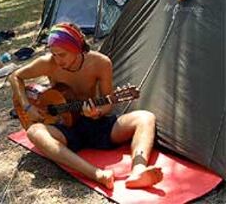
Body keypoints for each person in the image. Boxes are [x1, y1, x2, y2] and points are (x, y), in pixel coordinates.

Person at [9, 23, 163, 190]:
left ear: (77, 49)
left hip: (95, 123)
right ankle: (97, 174)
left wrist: (96, 113)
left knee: (146, 117)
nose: (58, 60)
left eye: (62, 54)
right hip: (64, 127)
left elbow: (108, 102)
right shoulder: (48, 63)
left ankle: (138, 171)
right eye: (53, 54)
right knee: (34, 132)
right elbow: (15, 76)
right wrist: (27, 106)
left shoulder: (101, 63)